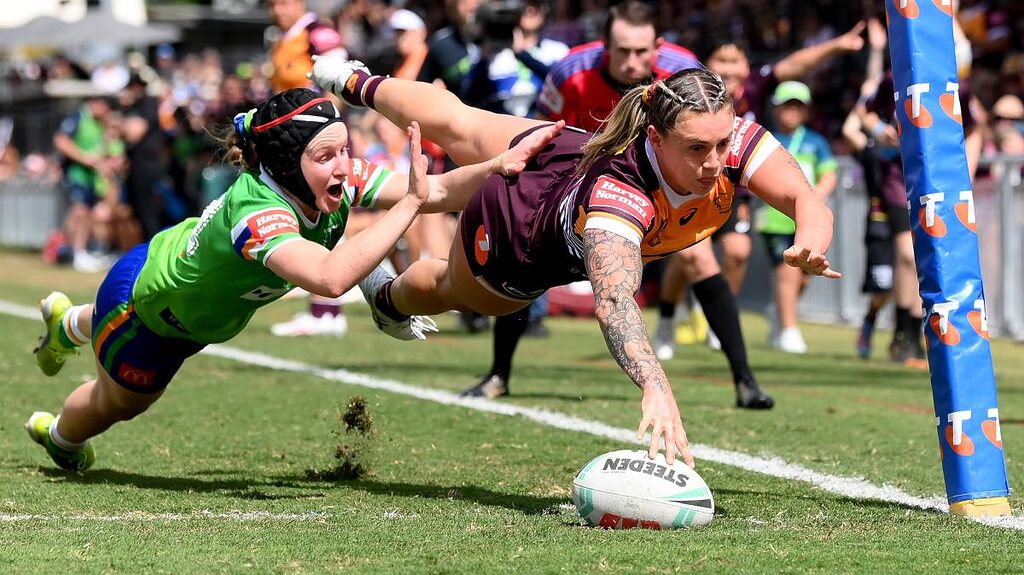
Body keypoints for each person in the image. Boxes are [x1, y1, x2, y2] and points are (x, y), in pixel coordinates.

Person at [311, 57, 841, 466]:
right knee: (457, 142)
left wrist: (812, 239)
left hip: (559, 171)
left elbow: (804, 199)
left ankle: (384, 286)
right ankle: (354, 90)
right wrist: (655, 383)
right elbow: (613, 302)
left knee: (458, 159)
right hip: (516, 233)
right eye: (696, 148)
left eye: (722, 142)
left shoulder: (732, 141)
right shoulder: (623, 198)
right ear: (654, 138)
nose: (713, 162)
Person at [24, 88, 558, 471]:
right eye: (326, 156)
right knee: (117, 407)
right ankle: (60, 438)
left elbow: (436, 190)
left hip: (177, 288)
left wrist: (502, 166)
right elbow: (328, 279)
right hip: (145, 315)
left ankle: (67, 321)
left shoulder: (329, 179)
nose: (344, 166)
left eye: (344, 149)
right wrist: (415, 202)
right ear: (284, 164)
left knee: (173, 316)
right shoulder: (260, 214)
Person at [534, 0, 768, 411]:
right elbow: (542, 130)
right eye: (622, 50)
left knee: (702, 262)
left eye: (642, 51)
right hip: (586, 190)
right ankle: (498, 373)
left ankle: (745, 380)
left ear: (657, 46)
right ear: (604, 44)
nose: (632, 61)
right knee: (532, 257)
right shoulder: (569, 71)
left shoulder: (685, 70)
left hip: (665, 190)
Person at [265, 0, 351, 337]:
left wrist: (323, 136)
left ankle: (326, 311)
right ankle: (324, 306)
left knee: (322, 219)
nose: (276, 9)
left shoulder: (317, 33)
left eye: (282, 2)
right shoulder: (282, 36)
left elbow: (343, 82)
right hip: (289, 147)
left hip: (315, 143)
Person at [756, 81, 837, 353]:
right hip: (775, 218)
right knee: (786, 272)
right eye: (786, 106)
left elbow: (829, 173)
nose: (791, 112)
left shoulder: (816, 142)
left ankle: (779, 312)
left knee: (803, 277)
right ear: (776, 109)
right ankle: (790, 331)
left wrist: (814, 200)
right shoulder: (768, 141)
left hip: (809, 220)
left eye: (797, 106)